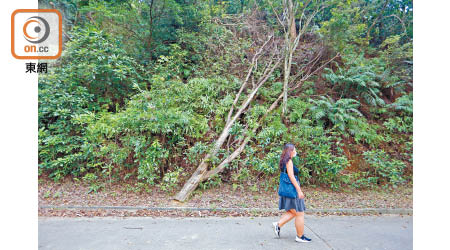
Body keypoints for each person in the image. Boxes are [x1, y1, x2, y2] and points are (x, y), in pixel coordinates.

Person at [272, 143, 312, 243]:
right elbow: (291, 176)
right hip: (292, 190)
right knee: (299, 213)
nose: (295, 151)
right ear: (290, 151)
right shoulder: (289, 162)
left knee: (292, 211)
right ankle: (300, 236)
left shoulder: (283, 161)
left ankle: (278, 224)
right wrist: (299, 190)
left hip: (287, 190)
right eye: (294, 150)